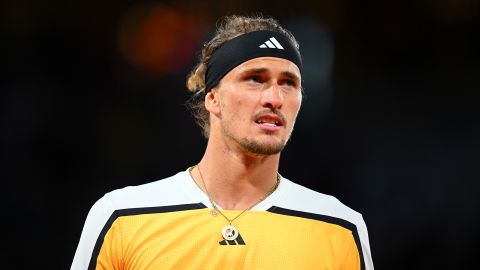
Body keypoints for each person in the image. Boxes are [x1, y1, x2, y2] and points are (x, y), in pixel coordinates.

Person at [71, 14, 374, 270]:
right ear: (212, 99)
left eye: (288, 83)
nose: (274, 98)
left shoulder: (340, 228)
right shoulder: (122, 217)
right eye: (255, 79)